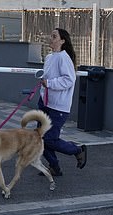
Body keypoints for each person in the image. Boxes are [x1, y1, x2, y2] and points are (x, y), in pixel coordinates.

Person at [37, 28, 87, 176]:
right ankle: (54, 167)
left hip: (58, 107)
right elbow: (47, 78)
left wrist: (50, 83)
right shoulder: (49, 57)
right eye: (50, 35)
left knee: (49, 139)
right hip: (45, 103)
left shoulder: (64, 58)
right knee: (40, 139)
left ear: (62, 41)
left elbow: (69, 80)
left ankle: (77, 150)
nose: (50, 38)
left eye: (54, 36)